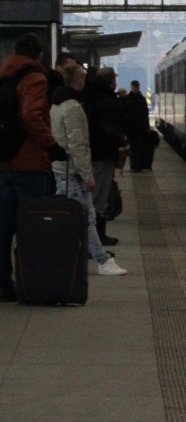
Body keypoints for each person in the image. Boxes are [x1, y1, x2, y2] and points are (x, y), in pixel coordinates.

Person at [0, 32, 68, 302]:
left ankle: (3, 285)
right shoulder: (35, 78)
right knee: (32, 229)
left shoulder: (3, 75)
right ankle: (32, 283)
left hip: (2, 164)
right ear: (38, 55)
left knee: (3, 229)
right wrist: (51, 145)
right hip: (29, 165)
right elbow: (31, 115)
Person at [50, 64, 127, 276]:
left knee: (71, 217)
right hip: (72, 170)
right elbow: (77, 144)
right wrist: (87, 175)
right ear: (79, 80)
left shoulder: (56, 104)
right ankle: (103, 261)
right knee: (86, 217)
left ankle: (62, 257)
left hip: (61, 169)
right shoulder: (73, 107)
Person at [83, 66, 127, 247]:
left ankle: (97, 238)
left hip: (97, 153)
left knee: (98, 199)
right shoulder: (104, 100)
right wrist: (121, 140)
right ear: (110, 81)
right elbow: (108, 127)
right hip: (102, 155)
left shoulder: (91, 97)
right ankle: (96, 240)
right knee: (99, 200)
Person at [122, 79, 151, 171]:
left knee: (139, 147)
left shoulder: (141, 99)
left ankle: (137, 166)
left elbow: (145, 114)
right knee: (133, 147)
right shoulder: (128, 99)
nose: (135, 88)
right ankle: (133, 165)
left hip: (140, 128)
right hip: (131, 128)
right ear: (132, 87)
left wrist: (147, 126)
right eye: (134, 86)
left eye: (136, 87)